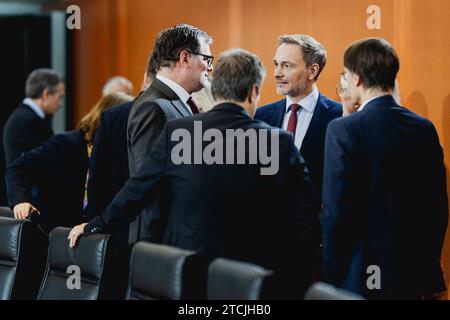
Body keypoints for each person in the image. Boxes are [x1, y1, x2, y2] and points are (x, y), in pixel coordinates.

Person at [69, 48, 317, 298]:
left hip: (187, 275)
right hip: (251, 281)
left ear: (216, 88)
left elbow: (137, 190)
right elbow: (304, 217)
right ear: (253, 92)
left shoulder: (179, 133)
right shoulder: (277, 142)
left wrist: (95, 224)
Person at [320, 38, 448, 299]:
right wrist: (427, 266)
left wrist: (330, 272)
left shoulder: (342, 129)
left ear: (356, 78)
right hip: (412, 273)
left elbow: (336, 211)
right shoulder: (424, 128)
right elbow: (437, 206)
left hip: (360, 273)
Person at [126, 23, 213, 243]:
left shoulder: (176, 103)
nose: (210, 68)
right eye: (207, 60)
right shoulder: (153, 106)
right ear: (185, 58)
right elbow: (148, 186)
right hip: (160, 242)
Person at [6, 92, 132, 233]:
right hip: (54, 234)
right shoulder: (65, 144)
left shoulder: (119, 155)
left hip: (95, 234)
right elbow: (18, 168)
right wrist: (21, 201)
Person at [255, 35, 342, 196]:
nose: (276, 73)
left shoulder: (340, 117)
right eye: (276, 65)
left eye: (287, 66)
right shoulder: (260, 117)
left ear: (312, 71)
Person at [86, 54, 157, 245]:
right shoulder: (176, 115)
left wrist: (95, 224)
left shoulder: (111, 116)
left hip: (112, 226)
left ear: (144, 78)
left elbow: (96, 180)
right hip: (150, 232)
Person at [3, 68, 64, 167]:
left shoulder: (21, 116)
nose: (61, 104)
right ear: (46, 94)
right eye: (60, 97)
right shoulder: (32, 123)